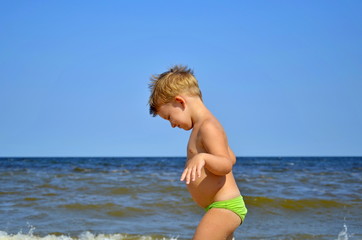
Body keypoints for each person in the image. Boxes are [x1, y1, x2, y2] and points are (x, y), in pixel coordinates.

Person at [148, 65, 247, 240]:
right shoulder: (203, 127)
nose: (172, 124)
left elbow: (225, 165)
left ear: (180, 102)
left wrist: (203, 157)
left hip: (225, 206)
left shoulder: (207, 126)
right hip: (220, 206)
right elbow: (231, 157)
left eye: (169, 117)